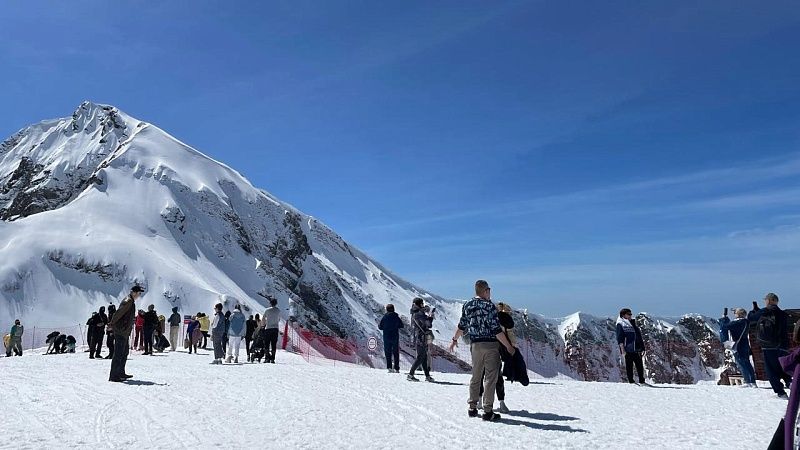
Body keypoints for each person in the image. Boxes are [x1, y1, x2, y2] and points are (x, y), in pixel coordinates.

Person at [448, 280, 515, 421]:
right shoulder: (489, 306)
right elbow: (496, 330)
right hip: (491, 345)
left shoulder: (467, 305)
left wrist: (454, 339)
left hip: (475, 345)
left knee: (476, 375)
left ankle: (472, 407)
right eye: (489, 290)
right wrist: (508, 346)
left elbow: (462, 325)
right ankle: (488, 411)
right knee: (490, 378)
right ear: (486, 291)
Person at [749, 293, 792, 398]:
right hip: (783, 345)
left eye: (766, 300)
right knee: (783, 367)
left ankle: (781, 392)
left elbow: (751, 318)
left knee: (771, 370)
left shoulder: (764, 311)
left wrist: (754, 311)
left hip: (768, 346)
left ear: (769, 300)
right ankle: (790, 383)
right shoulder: (783, 314)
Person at [479, 302, 514, 413]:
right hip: (496, 350)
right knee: (497, 377)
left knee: (481, 375)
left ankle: (479, 401)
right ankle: (501, 402)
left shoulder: (483, 318)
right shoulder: (501, 319)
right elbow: (510, 326)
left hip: (482, 348)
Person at [109, 286, 143, 382]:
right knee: (118, 353)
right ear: (134, 292)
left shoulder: (131, 301)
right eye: (139, 293)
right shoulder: (128, 301)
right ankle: (114, 375)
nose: (139, 295)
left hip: (125, 331)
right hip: (121, 330)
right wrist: (111, 324)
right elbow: (118, 313)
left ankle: (120, 372)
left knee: (124, 352)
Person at [719, 308, 757, 387]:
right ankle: (752, 382)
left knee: (741, 363)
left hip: (738, 345)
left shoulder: (738, 322)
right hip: (745, 344)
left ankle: (747, 381)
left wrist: (724, 319)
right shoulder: (746, 322)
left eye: (735, 313)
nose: (734, 314)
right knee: (747, 363)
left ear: (739, 314)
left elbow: (725, 326)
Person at [407, 298, 435, 383]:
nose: (423, 305)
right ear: (420, 304)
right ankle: (410, 374)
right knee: (420, 357)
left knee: (424, 357)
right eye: (422, 304)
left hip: (418, 337)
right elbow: (428, 324)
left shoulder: (415, 313)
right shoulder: (419, 314)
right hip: (421, 337)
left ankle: (427, 376)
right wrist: (431, 317)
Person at [616, 308, 646, 385]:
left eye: (631, 314)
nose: (630, 315)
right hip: (628, 349)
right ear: (623, 315)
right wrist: (622, 350)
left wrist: (642, 347)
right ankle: (631, 381)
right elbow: (620, 338)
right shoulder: (621, 324)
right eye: (628, 314)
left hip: (637, 348)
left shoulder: (633, 323)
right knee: (629, 366)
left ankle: (642, 380)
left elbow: (639, 337)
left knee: (639, 365)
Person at [378, 303, 404, 373]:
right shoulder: (396, 317)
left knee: (388, 352)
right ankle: (396, 368)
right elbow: (401, 325)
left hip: (386, 337)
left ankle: (389, 367)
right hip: (395, 337)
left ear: (387, 309)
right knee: (396, 353)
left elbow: (380, 327)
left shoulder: (384, 317)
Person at [262, 298, 281, 363]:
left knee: (266, 343)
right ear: (276, 303)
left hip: (268, 328)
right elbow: (279, 319)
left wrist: (263, 326)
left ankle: (267, 358)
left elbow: (263, 319)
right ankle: (272, 359)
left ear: (270, 303)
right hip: (275, 328)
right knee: (273, 344)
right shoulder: (278, 310)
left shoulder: (267, 310)